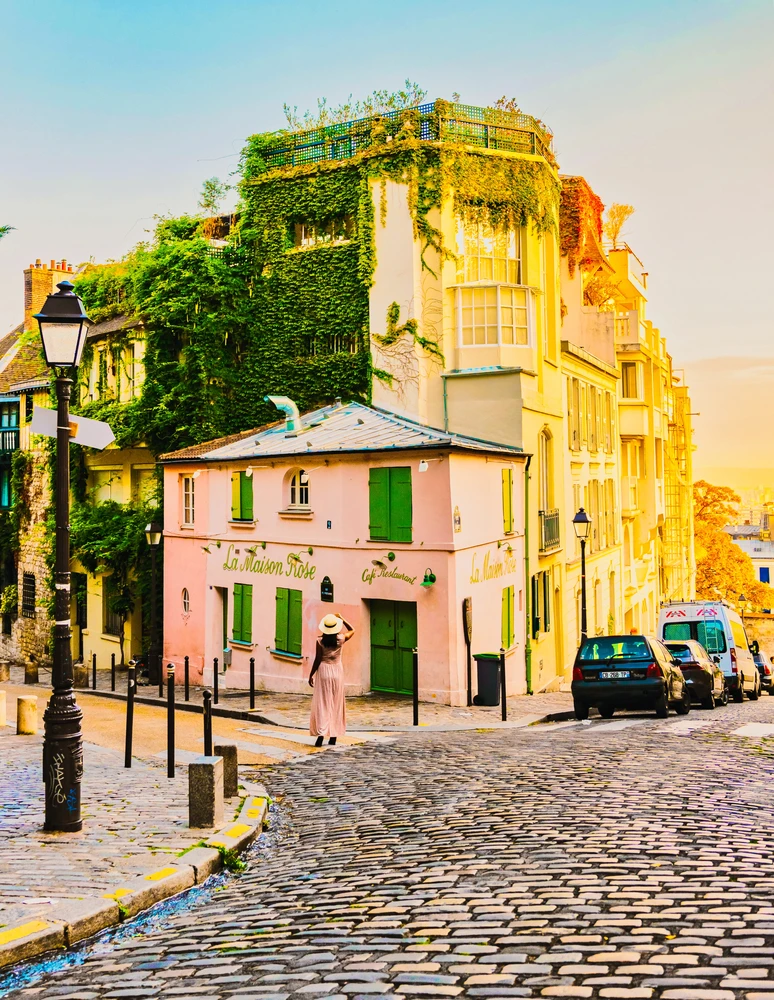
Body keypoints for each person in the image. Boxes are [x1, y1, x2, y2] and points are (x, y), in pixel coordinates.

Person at [309, 613, 355, 747]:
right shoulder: (341, 639)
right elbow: (352, 630)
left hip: (323, 670)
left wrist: (311, 674)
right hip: (337, 671)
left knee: (322, 703)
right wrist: (342, 618)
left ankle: (321, 734)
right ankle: (333, 735)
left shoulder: (320, 641)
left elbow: (318, 659)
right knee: (336, 702)